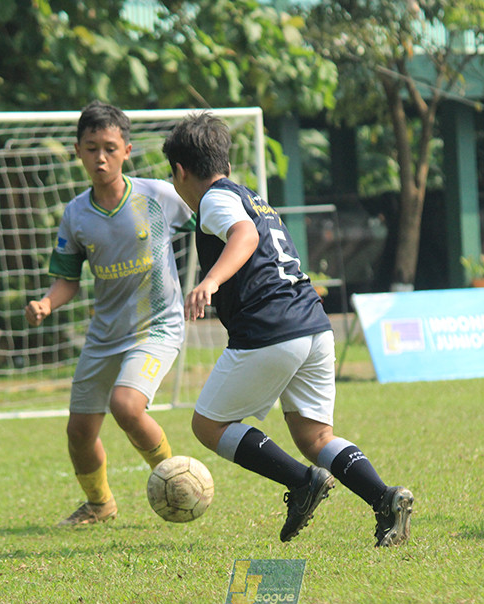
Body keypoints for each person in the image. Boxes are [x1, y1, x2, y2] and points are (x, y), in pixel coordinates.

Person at [162, 111, 414, 547]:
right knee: (315, 437)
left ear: (180, 171)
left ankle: (302, 483)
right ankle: (385, 498)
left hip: (271, 329)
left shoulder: (215, 201)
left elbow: (244, 237)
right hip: (313, 326)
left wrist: (210, 281)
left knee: (208, 425)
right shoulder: (251, 195)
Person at [25, 101, 193, 527]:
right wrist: (47, 302)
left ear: (127, 150)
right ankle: (100, 505)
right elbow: (67, 277)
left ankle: (179, 484)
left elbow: (212, 225)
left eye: (110, 148)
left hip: (157, 326)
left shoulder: (161, 197)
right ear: (78, 152)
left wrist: (218, 282)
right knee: (79, 432)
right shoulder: (76, 213)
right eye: (91, 148)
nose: (101, 157)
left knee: (127, 405)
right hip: (104, 334)